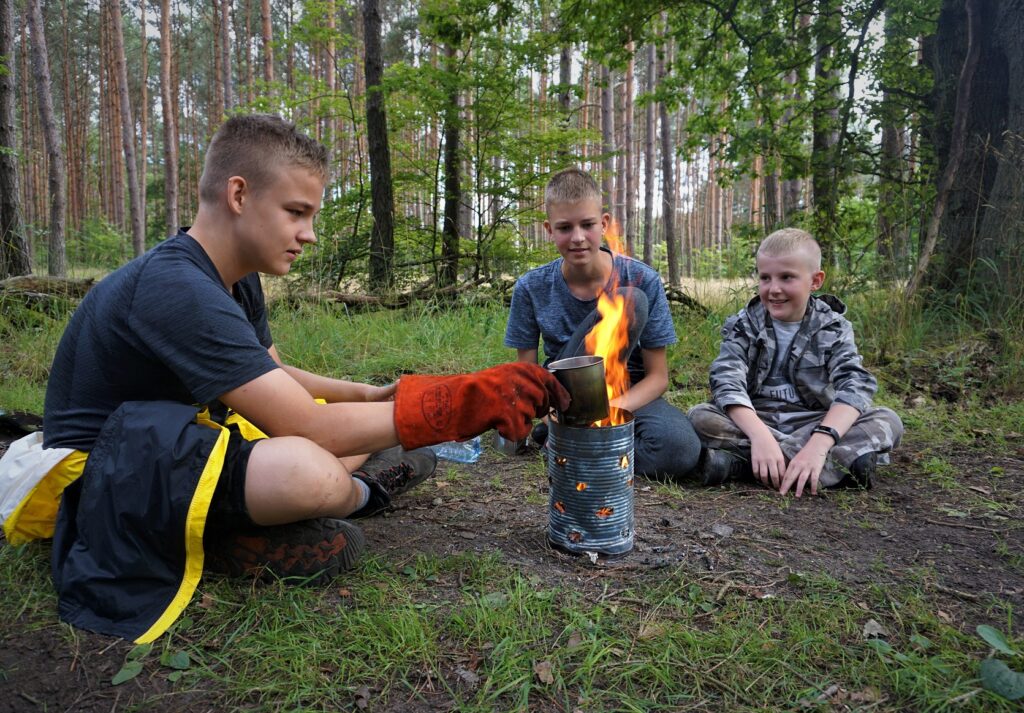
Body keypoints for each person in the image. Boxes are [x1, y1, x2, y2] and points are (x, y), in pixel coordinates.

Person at [0, 114, 566, 642]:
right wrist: (455, 406)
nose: (309, 233)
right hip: (110, 478)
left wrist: (369, 395)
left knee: (328, 442)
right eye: (297, 212)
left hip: (170, 442)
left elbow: (271, 372)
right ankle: (343, 496)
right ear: (239, 195)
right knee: (308, 468)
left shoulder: (231, 274)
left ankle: (314, 493)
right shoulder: (175, 286)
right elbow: (307, 424)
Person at [504, 167, 701, 479]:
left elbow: (658, 378)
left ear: (605, 224)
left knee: (680, 449)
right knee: (631, 299)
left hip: (629, 393)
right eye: (565, 227)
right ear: (549, 230)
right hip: (566, 394)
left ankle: (573, 445)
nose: (578, 237)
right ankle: (570, 434)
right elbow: (526, 376)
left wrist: (610, 412)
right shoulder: (531, 287)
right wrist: (550, 415)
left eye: (588, 224)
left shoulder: (643, 278)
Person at [688, 227, 903, 497]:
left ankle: (745, 466)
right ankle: (835, 466)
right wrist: (760, 437)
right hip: (758, 419)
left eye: (786, 277)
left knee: (887, 420)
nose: (774, 289)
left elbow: (855, 385)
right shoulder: (744, 324)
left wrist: (820, 442)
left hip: (815, 422)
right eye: (765, 278)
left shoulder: (833, 326)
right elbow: (726, 380)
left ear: (815, 281)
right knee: (700, 417)